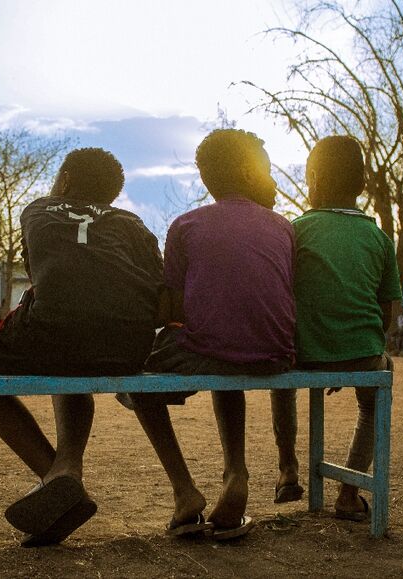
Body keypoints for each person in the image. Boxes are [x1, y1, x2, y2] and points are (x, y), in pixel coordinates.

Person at [0, 148, 163, 547]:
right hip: (128, 342)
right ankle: (66, 472)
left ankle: (60, 475)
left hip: (53, 330)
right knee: (72, 361)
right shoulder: (132, 222)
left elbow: (45, 278)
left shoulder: (39, 210)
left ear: (66, 181)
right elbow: (156, 283)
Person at [120, 129, 295, 540]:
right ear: (252, 175)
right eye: (267, 171)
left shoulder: (186, 225)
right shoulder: (284, 227)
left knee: (138, 380)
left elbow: (176, 310)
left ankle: (185, 492)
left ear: (206, 179)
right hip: (275, 352)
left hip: (213, 346)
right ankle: (235, 472)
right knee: (228, 353)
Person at [271, 135, 402, 521]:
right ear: (362, 186)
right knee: (375, 390)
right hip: (361, 351)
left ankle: (288, 468)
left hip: (303, 353)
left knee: (282, 377)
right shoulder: (379, 238)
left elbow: (283, 295)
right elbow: (385, 311)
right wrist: (357, 348)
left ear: (312, 178)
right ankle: (348, 492)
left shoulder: (296, 231)